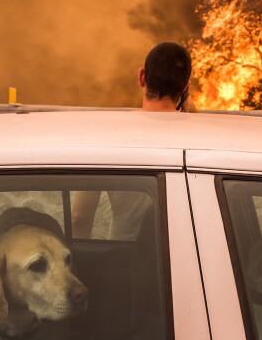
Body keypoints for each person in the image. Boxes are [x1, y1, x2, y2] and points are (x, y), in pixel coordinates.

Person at [71, 42, 196, 239]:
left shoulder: (109, 137)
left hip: (124, 252)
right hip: (181, 251)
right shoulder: (197, 137)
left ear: (142, 77)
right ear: (185, 88)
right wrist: (193, 116)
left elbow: (79, 218)